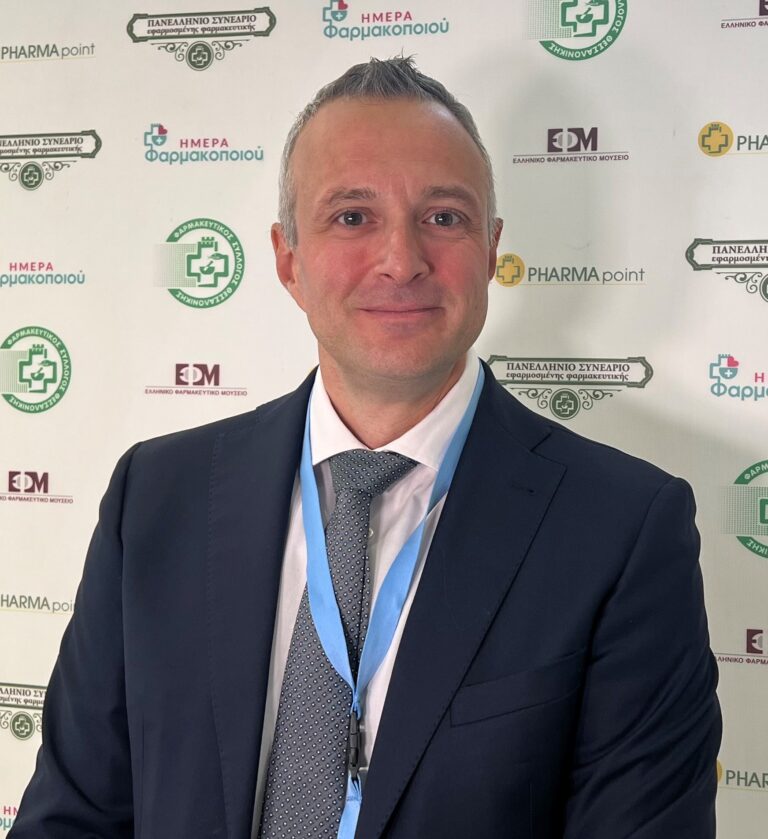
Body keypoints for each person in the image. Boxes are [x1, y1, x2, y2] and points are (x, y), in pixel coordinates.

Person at [10, 57, 720, 839]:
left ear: (492, 249)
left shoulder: (621, 529)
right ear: (288, 259)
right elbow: (72, 818)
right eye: (352, 217)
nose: (401, 259)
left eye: (443, 217)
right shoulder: (156, 497)